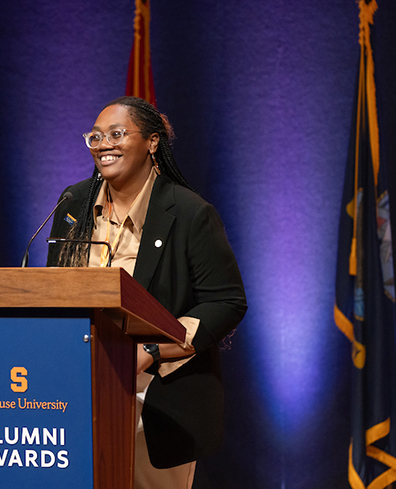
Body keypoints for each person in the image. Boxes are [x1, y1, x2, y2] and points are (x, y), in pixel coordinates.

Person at [46, 96, 247, 488]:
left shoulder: (189, 213)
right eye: (96, 137)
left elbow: (226, 302)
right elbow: (54, 291)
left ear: (153, 142)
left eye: (117, 134)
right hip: (76, 391)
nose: (103, 144)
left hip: (156, 395)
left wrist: (149, 352)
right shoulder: (73, 204)